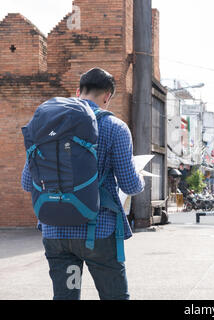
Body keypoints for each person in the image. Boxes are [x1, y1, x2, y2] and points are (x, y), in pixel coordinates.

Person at [21, 67, 145, 300]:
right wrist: (139, 179)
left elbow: (27, 182)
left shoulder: (46, 125)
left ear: (78, 91)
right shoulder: (115, 128)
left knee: (66, 297)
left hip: (55, 232)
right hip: (97, 232)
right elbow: (130, 185)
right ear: (107, 96)